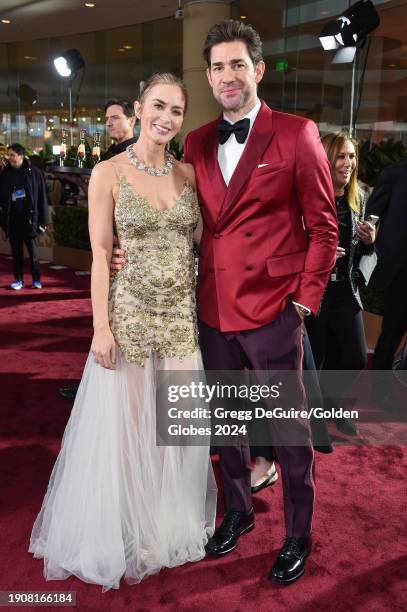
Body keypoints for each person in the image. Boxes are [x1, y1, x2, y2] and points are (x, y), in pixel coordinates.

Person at [112, 19, 338, 585]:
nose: (227, 76)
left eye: (238, 64)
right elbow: (182, 220)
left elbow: (325, 229)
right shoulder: (197, 140)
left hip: (275, 313)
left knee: (289, 432)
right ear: (209, 77)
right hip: (210, 310)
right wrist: (128, 255)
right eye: (217, 67)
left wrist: (304, 304)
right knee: (228, 425)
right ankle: (238, 511)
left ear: (258, 70)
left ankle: (297, 533)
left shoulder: (297, 133)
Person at [29, 73, 216, 590]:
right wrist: (100, 329)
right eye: (159, 106)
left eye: (177, 111)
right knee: (131, 427)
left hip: (178, 318)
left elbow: (205, 239)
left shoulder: (188, 175)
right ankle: (130, 525)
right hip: (130, 315)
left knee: (173, 434)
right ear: (138, 108)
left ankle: (162, 525)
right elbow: (97, 256)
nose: (167, 118)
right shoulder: (107, 173)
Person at [58, 98, 138, 401]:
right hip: (107, 251)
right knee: (100, 324)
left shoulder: (139, 156)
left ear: (133, 119)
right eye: (106, 119)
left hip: (127, 263)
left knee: (114, 326)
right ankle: (93, 386)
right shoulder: (107, 157)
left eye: (115, 118)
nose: (109, 123)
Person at [305, 132, 376, 435]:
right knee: (316, 360)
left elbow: (365, 253)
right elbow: (289, 242)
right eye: (341, 156)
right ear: (325, 159)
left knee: (354, 357)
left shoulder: (358, 196)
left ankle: (330, 404)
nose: (348, 163)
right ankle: (313, 419)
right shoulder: (307, 195)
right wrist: (318, 254)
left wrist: (370, 242)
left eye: (351, 156)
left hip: (346, 289)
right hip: (314, 292)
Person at [365, 160, 407, 412]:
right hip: (400, 272)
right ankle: (380, 392)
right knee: (392, 333)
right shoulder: (394, 174)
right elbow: (372, 216)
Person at [0, 144, 49, 290]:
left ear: (21, 156)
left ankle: (36, 280)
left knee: (33, 252)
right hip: (12, 218)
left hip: (30, 219)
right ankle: (18, 280)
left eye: (13, 155)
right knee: (16, 252)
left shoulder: (34, 172)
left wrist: (44, 220)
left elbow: (42, 197)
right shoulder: (5, 173)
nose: (10, 158)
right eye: (9, 155)